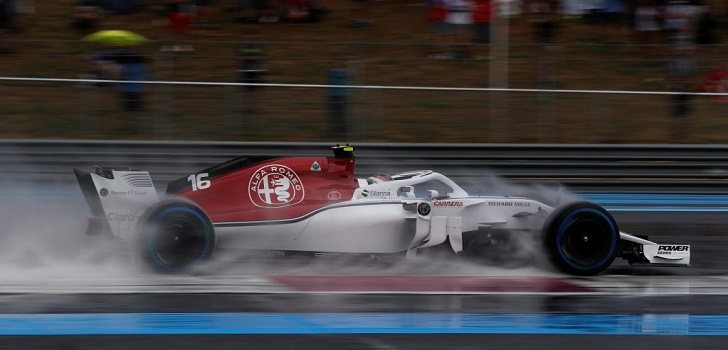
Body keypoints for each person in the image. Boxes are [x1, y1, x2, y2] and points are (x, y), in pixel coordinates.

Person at [327, 59, 352, 138]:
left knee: (336, 114)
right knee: (341, 114)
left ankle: (337, 131)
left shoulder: (332, 72)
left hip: (334, 96)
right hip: (341, 96)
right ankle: (342, 131)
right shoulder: (346, 73)